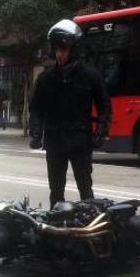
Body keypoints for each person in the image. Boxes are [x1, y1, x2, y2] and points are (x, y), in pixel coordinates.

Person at [29, 19, 112, 209]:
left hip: (80, 140)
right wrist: (36, 133)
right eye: (56, 49)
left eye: (64, 49)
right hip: (54, 140)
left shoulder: (90, 75)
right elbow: (36, 108)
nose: (59, 54)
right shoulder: (45, 79)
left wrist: (100, 132)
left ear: (73, 49)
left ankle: (92, 228)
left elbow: (105, 106)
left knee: (86, 189)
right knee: (56, 191)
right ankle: (56, 229)